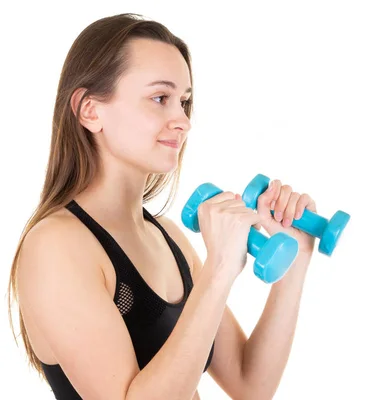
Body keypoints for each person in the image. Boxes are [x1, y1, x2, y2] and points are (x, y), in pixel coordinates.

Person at [7, 13, 317, 400]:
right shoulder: (56, 246)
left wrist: (297, 255)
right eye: (160, 98)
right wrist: (219, 269)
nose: (183, 121)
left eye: (184, 102)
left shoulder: (168, 236)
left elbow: (249, 384)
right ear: (90, 110)